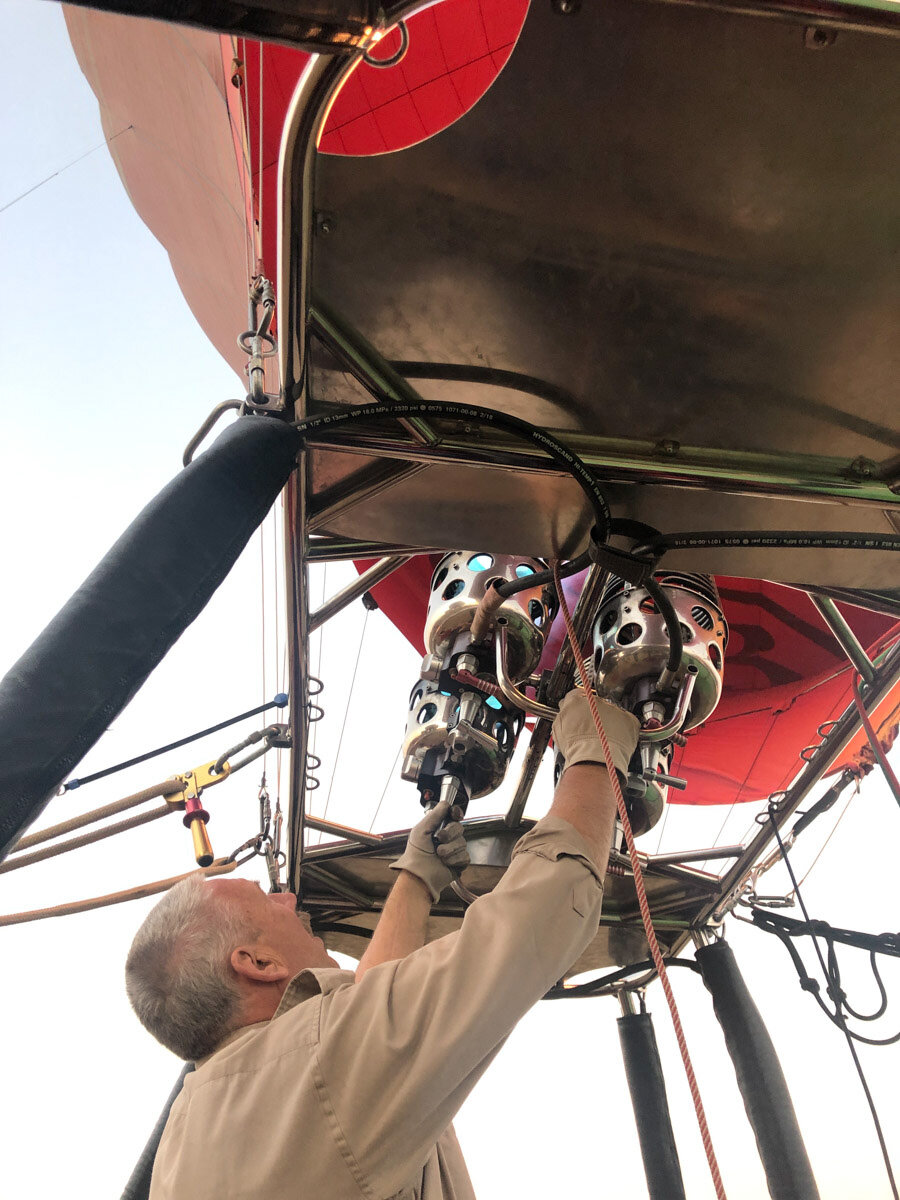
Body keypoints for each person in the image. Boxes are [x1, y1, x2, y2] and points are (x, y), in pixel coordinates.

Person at [126, 690, 639, 1199]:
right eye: (266, 900)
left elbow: (364, 1023)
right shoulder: (318, 1068)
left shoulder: (185, 1141)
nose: (288, 900)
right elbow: (543, 911)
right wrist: (595, 747)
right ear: (257, 963)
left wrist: (416, 880)